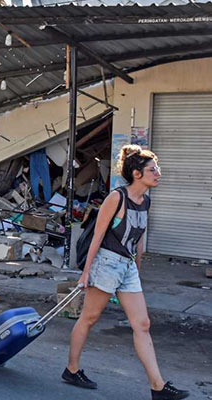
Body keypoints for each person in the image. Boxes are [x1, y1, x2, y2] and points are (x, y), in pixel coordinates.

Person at [63, 145, 189, 400]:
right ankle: (72, 369)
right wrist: (85, 273)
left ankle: (158, 387)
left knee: (142, 324)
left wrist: (136, 269)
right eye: (152, 170)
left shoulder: (146, 201)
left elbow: (138, 239)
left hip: (127, 267)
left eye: (157, 168)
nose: (158, 173)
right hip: (107, 263)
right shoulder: (116, 198)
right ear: (136, 174)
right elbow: (98, 235)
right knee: (89, 318)